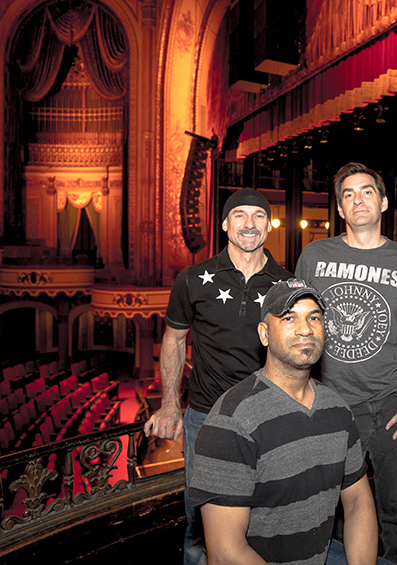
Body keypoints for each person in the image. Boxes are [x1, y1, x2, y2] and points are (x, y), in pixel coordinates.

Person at [295, 162, 397, 565]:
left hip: (394, 404)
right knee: (335, 515)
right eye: (348, 194)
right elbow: (296, 325)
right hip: (332, 405)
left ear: (383, 202)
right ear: (340, 209)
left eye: (366, 191)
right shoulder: (315, 255)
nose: (357, 199)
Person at [143, 187, 292, 565]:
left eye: (258, 216)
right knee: (200, 523)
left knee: (263, 515)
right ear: (225, 224)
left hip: (266, 418)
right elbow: (174, 340)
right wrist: (169, 406)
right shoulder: (194, 278)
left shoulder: (286, 286)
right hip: (205, 417)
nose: (249, 224)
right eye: (239, 215)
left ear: (269, 226)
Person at [188, 278, 380, 565]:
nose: (305, 329)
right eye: (289, 318)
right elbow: (225, 553)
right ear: (264, 334)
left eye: (314, 317)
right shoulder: (231, 421)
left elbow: (358, 504)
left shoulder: (337, 409)